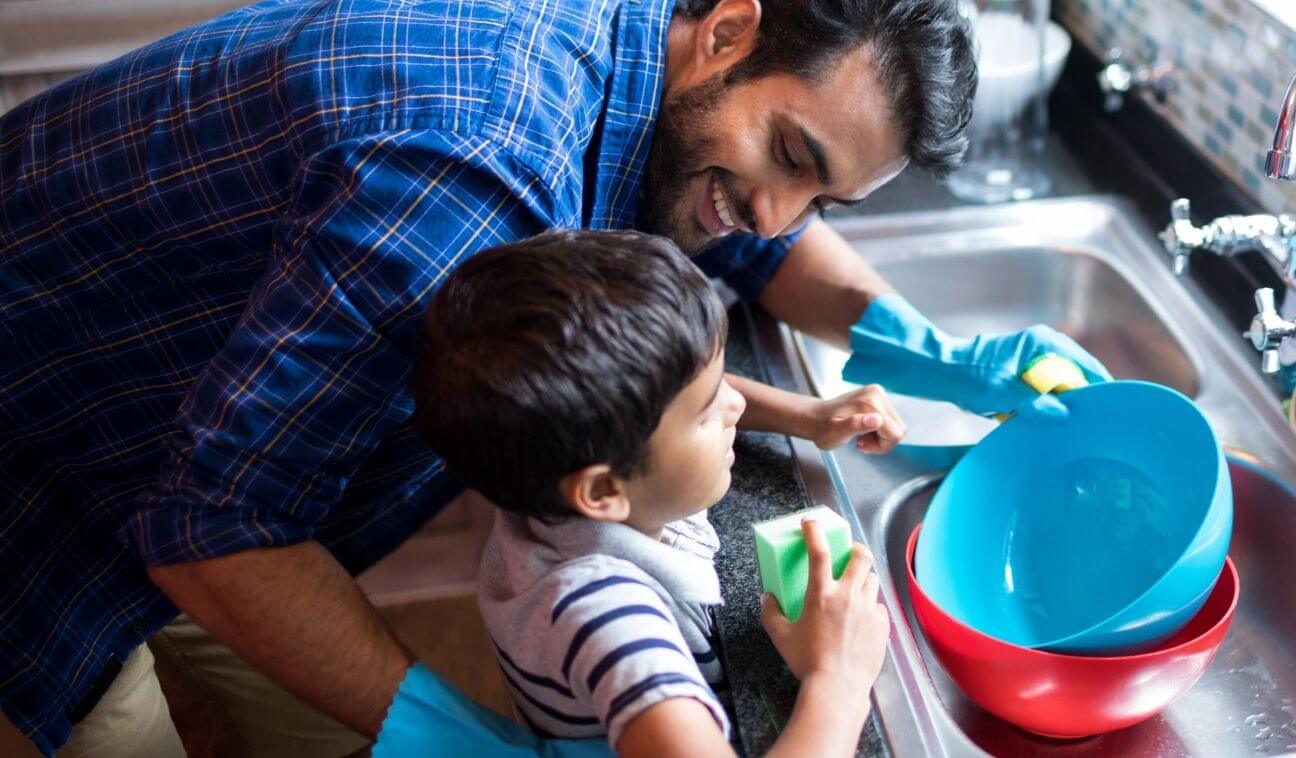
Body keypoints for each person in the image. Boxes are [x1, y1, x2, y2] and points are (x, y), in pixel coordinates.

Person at [0, 0, 1106, 754]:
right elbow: (210, 528)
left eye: (823, 197)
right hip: (49, 473)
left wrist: (930, 350)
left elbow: (745, 230)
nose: (780, 219)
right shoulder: (473, 179)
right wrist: (458, 737)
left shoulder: (651, 55)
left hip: (213, 457)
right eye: (792, 156)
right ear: (730, 30)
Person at [408, 228, 890, 756]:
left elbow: (674, 394)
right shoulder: (608, 618)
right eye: (708, 413)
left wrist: (809, 416)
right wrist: (837, 678)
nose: (734, 406)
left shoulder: (544, 472)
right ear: (603, 490)